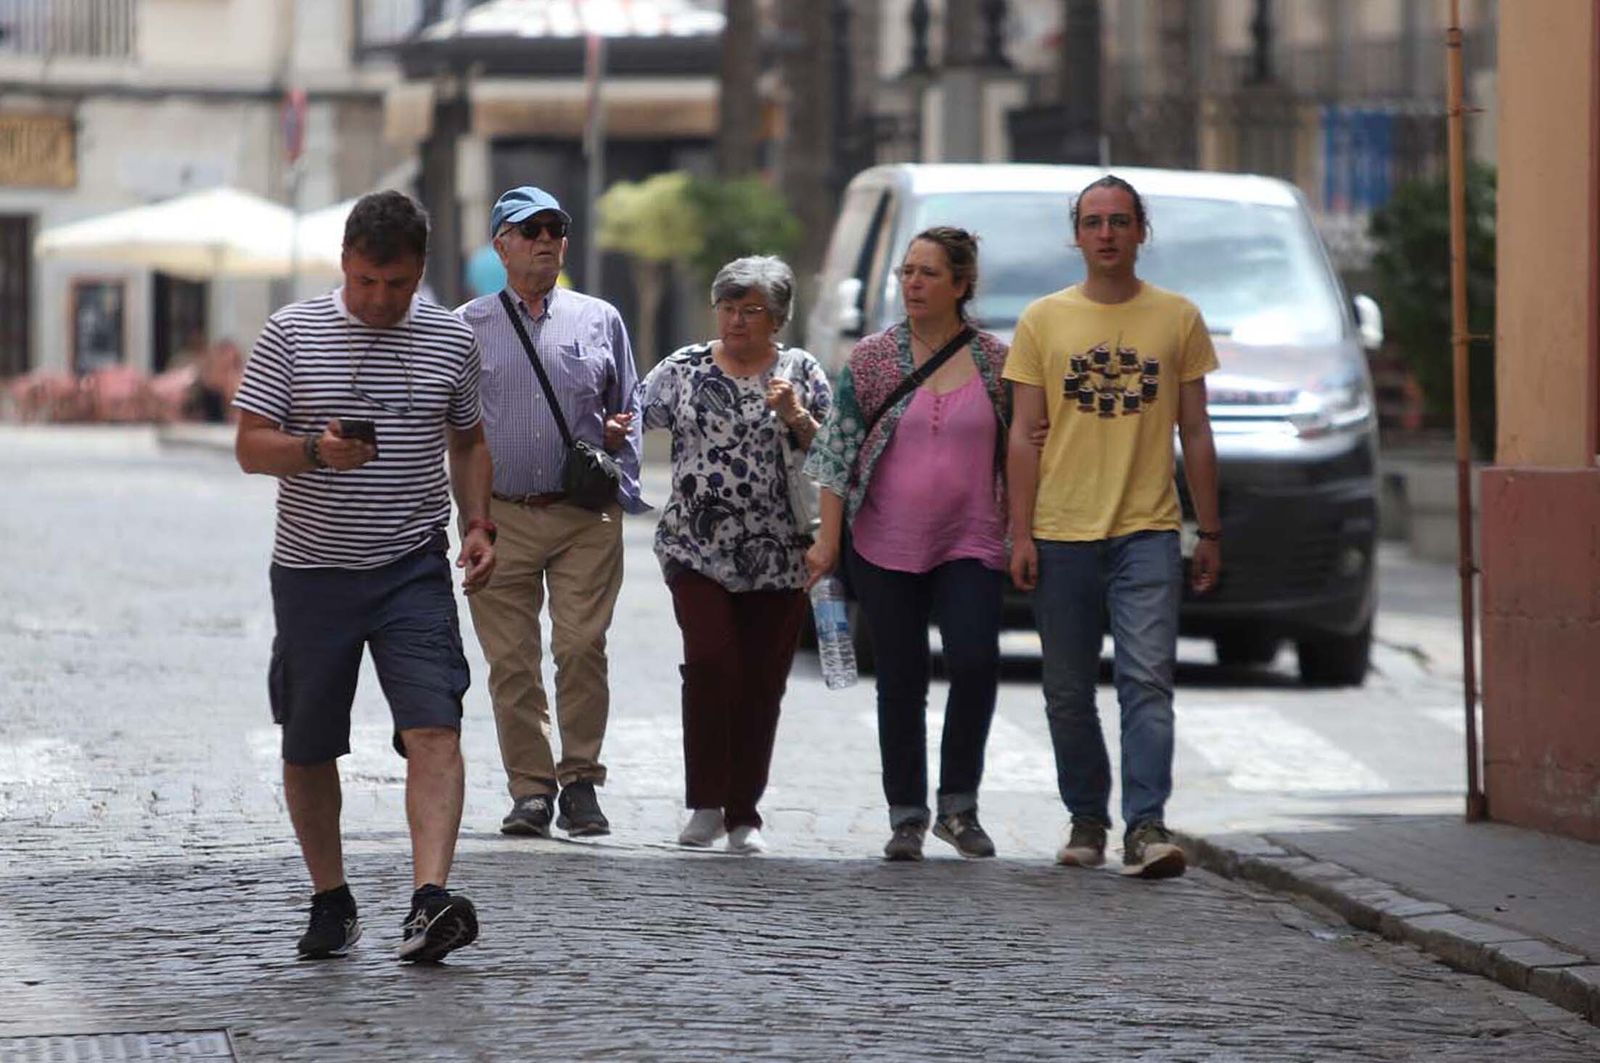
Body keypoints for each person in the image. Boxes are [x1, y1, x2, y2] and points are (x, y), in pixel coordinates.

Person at [233, 189, 494, 962]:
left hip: (412, 565)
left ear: (420, 270)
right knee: (309, 743)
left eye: (399, 284)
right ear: (345, 261)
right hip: (313, 571)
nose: (381, 299)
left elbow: (471, 441)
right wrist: (315, 450)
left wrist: (479, 523)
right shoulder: (290, 333)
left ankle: (428, 899)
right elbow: (250, 445)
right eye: (368, 282)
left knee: (435, 725)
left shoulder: (451, 340)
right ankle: (331, 897)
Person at [1004, 174, 1221, 880]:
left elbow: (1195, 427)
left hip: (1148, 530)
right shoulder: (1043, 320)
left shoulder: (1178, 317)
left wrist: (1208, 529)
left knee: (1146, 680)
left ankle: (1148, 824)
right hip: (1062, 531)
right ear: (1076, 234)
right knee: (1068, 689)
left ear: (1140, 232)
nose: (1106, 233)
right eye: (1093, 222)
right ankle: (1087, 818)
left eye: (1119, 221)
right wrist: (1021, 531)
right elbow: (1023, 432)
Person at [805, 227, 1011, 862]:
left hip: (972, 540)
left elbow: (1027, 450)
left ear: (961, 283)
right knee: (900, 677)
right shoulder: (871, 360)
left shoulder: (998, 362)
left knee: (975, 663)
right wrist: (827, 545)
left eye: (927, 273)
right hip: (883, 542)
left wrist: (1025, 529)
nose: (913, 284)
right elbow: (836, 454)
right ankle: (907, 814)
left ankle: (959, 806)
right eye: (907, 272)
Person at [456, 186, 646, 840]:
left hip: (581, 516)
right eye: (529, 229)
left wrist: (621, 451)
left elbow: (632, 400)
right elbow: (455, 431)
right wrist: (468, 518)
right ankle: (531, 790)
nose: (545, 240)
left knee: (579, 645)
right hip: (500, 514)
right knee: (511, 661)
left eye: (555, 229)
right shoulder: (466, 326)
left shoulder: (600, 318)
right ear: (500, 243)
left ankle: (582, 782)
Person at [637, 256, 831, 855]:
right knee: (712, 663)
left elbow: (832, 456)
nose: (737, 320)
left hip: (779, 554)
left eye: (752, 311)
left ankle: (744, 812)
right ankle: (705, 802)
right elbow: (630, 417)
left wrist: (796, 416)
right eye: (728, 307)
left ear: (777, 319)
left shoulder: (800, 371)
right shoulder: (685, 368)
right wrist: (614, 434)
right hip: (696, 548)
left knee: (761, 682)